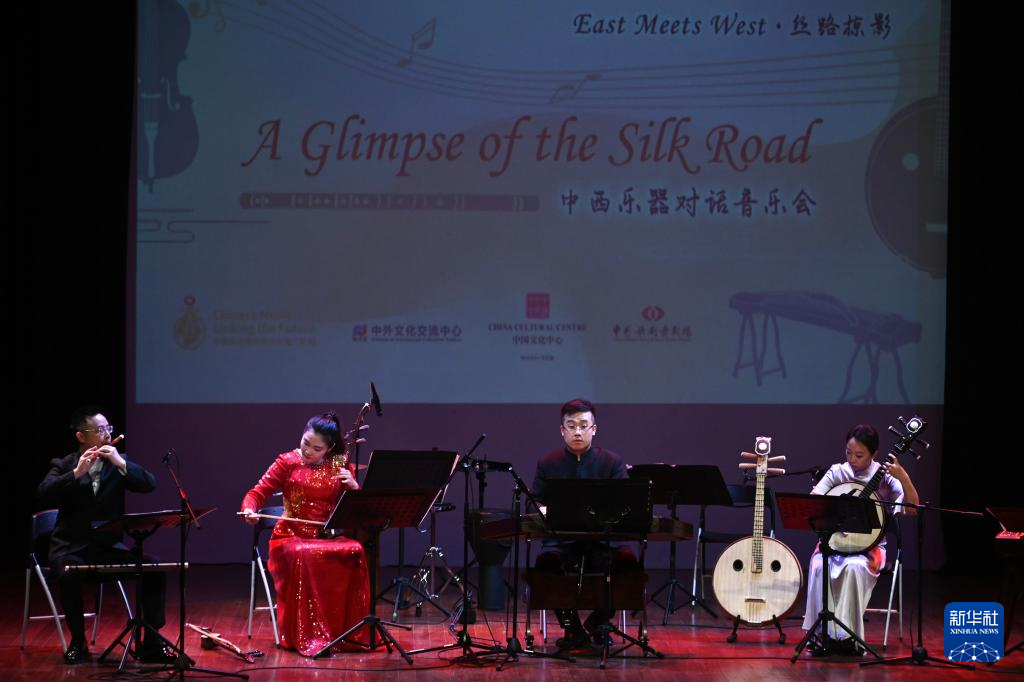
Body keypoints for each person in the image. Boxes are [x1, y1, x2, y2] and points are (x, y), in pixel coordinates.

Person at [37, 407, 171, 665]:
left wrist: (121, 463)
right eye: (99, 430)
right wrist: (76, 474)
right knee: (68, 573)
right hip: (70, 547)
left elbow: (149, 484)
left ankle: (152, 644)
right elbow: (43, 493)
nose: (107, 434)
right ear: (81, 436)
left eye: (108, 428)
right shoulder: (64, 464)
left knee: (153, 567)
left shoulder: (117, 463)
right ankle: (78, 641)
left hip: (107, 548)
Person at [240, 412, 369, 657]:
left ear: (329, 448)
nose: (308, 451)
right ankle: (309, 637)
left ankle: (348, 635)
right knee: (304, 554)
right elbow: (256, 493)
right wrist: (249, 509)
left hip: (323, 537)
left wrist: (353, 486)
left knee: (355, 550)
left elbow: (357, 509)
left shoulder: (338, 464)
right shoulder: (287, 461)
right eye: (305, 442)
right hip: (289, 539)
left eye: (317, 448)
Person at [801, 424, 920, 656]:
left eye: (859, 455)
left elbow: (913, 509)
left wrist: (903, 477)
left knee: (854, 568)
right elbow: (814, 502)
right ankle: (821, 635)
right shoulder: (837, 472)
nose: (852, 459)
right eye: (848, 453)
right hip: (834, 542)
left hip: (869, 547)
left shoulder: (885, 476)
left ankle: (848, 638)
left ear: (874, 454)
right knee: (817, 566)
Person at [531, 398, 639, 650]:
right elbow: (533, 500)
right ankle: (572, 628)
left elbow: (626, 502)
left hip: (604, 543)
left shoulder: (612, 462)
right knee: (545, 565)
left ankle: (598, 623)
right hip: (563, 543)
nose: (577, 432)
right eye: (571, 426)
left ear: (594, 429)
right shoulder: (548, 463)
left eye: (583, 425)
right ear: (562, 430)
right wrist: (542, 509)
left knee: (628, 564)